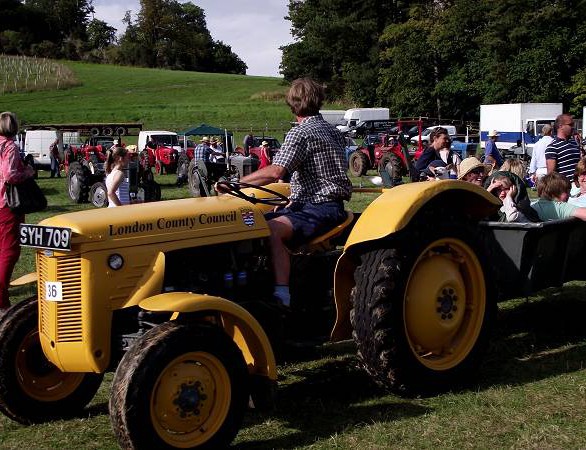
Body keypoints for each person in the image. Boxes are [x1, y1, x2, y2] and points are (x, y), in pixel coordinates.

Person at [219, 78, 352, 309]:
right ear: (318, 101)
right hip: (326, 204)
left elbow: (277, 170)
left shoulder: (301, 133)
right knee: (254, 221)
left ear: (292, 104)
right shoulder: (333, 131)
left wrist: (236, 183)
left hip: (318, 208)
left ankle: (281, 296)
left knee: (267, 229)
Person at [0, 112, 35, 315]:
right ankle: (2, 300)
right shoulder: (10, 146)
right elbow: (10, 175)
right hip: (7, 204)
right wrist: (28, 172)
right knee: (10, 251)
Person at [545, 114, 581, 181]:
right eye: (570, 125)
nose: (573, 127)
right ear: (561, 126)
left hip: (580, 185)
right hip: (565, 187)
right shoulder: (552, 147)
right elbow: (551, 175)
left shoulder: (574, 143)